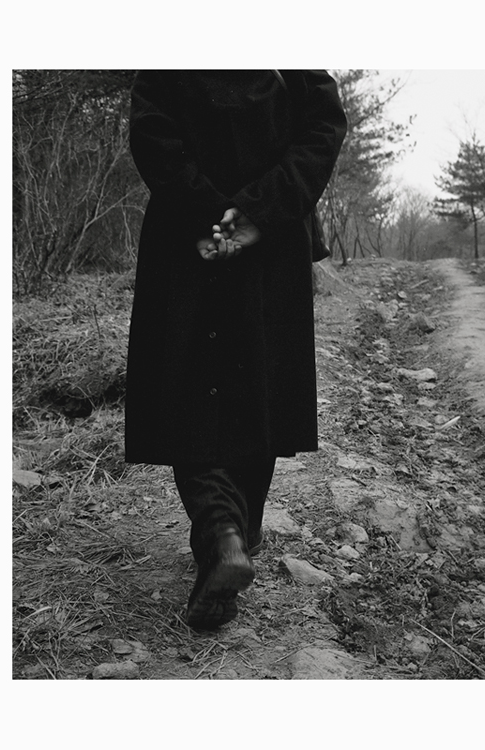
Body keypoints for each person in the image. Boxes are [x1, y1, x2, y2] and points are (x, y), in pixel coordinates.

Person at [126, 70, 347, 630]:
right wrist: (258, 211)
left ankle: (224, 535)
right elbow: (322, 127)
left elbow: (152, 130)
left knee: (186, 386)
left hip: (189, 235)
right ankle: (235, 535)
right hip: (270, 237)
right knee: (257, 382)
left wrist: (209, 211)